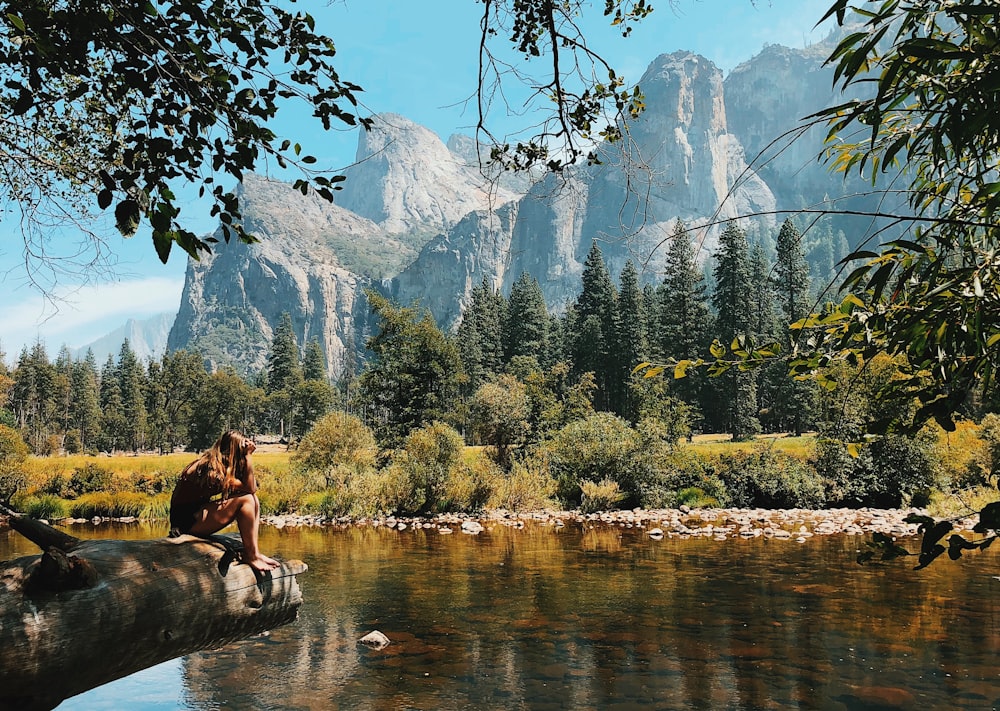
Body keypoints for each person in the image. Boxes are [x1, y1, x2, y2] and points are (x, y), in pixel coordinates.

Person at [169, 430, 280, 572]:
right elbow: (249, 488)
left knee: (253, 499)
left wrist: (246, 457)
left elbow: (252, 489)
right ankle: (251, 556)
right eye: (240, 451)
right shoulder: (210, 468)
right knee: (247, 500)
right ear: (233, 451)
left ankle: (254, 553)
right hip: (184, 523)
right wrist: (248, 456)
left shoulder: (220, 465)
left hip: (197, 514)